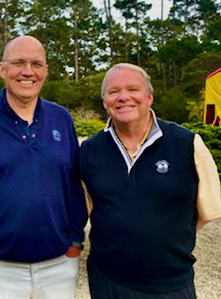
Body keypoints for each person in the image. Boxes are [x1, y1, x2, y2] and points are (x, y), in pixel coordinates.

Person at [0, 35, 87, 299]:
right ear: (3, 69)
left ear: (46, 72)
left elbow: (74, 185)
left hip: (59, 266)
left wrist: (75, 241)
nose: (28, 72)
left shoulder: (61, 119)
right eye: (18, 63)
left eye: (36, 64)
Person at [80, 63, 221, 298]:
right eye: (113, 92)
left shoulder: (187, 143)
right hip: (107, 280)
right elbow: (88, 208)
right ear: (105, 102)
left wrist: (165, 238)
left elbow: (207, 211)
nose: (123, 97)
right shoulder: (90, 151)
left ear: (149, 96)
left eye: (132, 89)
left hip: (170, 284)